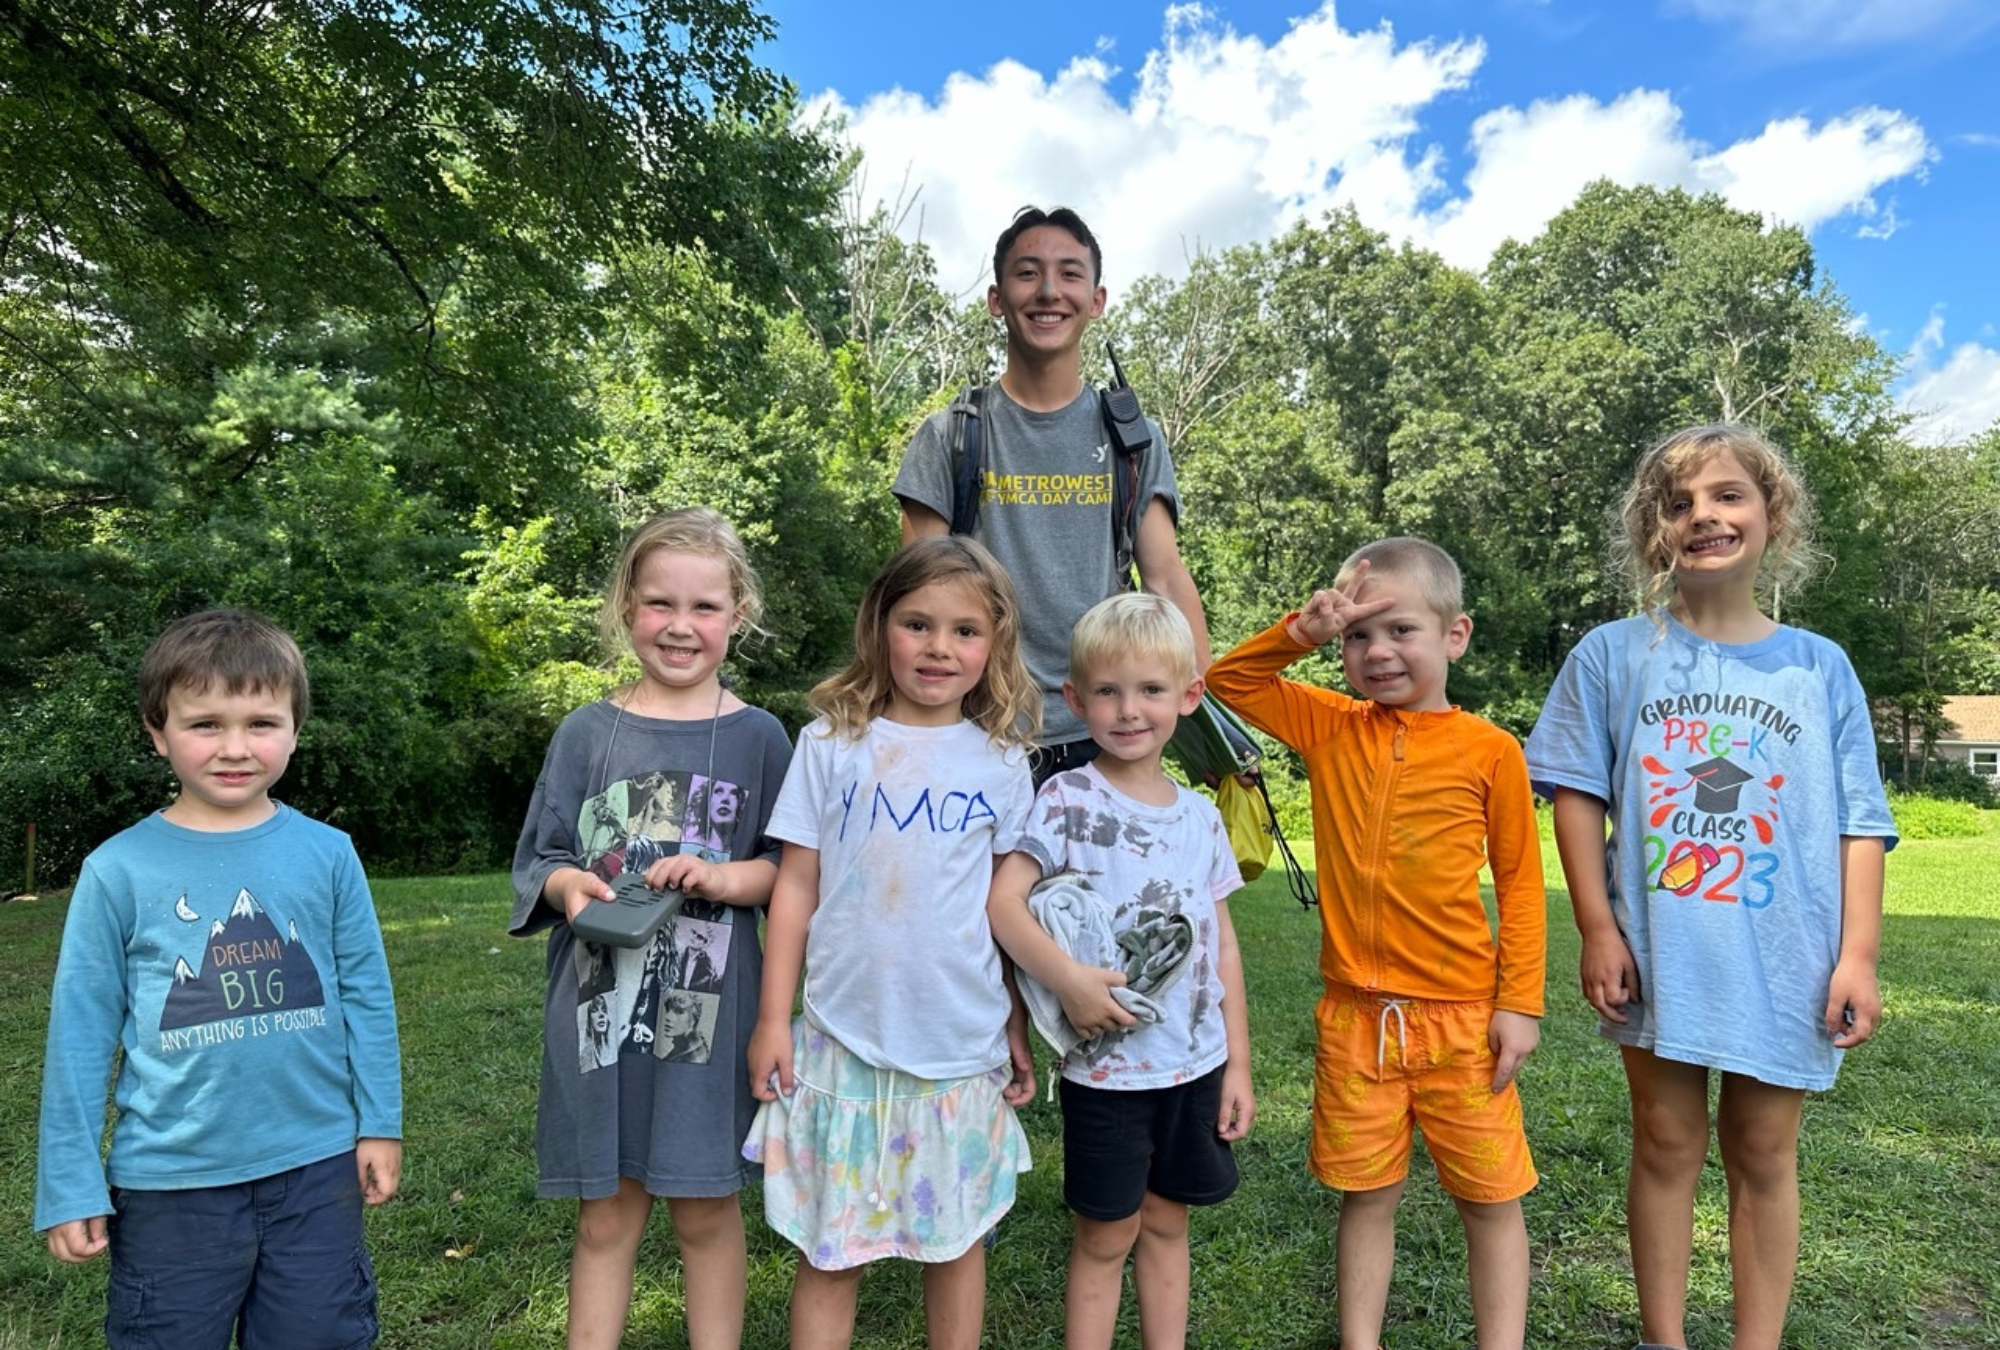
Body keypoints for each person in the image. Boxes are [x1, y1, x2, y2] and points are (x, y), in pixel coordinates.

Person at [1524, 424, 1896, 1350]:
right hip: (1661, 951)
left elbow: (1861, 822)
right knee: (1664, 1140)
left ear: (1773, 518)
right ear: (1654, 531)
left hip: (1787, 961)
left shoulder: (1821, 668)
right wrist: (1599, 929)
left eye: (1729, 495)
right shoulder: (1612, 656)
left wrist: (1857, 956)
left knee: (1765, 1152)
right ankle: (1664, 1338)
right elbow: (1576, 796)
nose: (1704, 516)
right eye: (1679, 503)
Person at [1207, 538, 1546, 1350]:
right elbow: (1226, 683)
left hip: (1463, 1025)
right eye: (1358, 636)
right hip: (1357, 1021)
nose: (1376, 651)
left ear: (1454, 635)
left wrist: (1520, 1005)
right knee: (1367, 1195)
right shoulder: (1329, 727)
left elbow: (1523, 884)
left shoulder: (1492, 751)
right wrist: (1302, 633)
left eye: (1399, 630)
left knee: (1491, 1200)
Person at [34, 608, 402, 1350]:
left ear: (296, 726)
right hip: (172, 1185)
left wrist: (380, 1122)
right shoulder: (118, 869)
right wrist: (68, 1181)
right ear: (156, 730)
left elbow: (367, 992)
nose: (236, 748)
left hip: (317, 1170)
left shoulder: (329, 854)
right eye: (205, 724)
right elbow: (80, 1032)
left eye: (261, 722)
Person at [744, 535, 1042, 1350]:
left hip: (956, 1045)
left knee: (954, 1245)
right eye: (917, 623)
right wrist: (775, 1019)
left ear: (996, 643)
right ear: (880, 626)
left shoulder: (1005, 764)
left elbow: (1001, 909)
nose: (939, 647)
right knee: (829, 1249)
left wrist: (1013, 1021)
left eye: (965, 631)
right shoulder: (831, 744)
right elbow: (794, 886)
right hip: (840, 1040)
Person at [511, 507, 793, 1350]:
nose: (680, 626)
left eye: (704, 607)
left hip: (708, 1025)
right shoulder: (585, 733)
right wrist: (572, 889)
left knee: (706, 1214)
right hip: (598, 1016)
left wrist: (719, 877)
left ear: (738, 613)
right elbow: (544, 855)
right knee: (606, 1217)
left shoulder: (759, 738)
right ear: (625, 607)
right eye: (659, 604)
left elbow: (786, 869)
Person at [987, 591, 1253, 1350]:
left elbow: (1221, 945)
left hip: (1193, 1066)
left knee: (1168, 1224)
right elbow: (1005, 904)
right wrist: (1067, 978)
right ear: (1075, 699)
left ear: (1189, 697)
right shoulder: (1064, 799)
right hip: (1107, 1076)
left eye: (1150, 690)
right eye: (1107, 691)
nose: (1128, 709)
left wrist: (1238, 1065)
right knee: (1105, 1237)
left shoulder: (1201, 816)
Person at [894, 205, 1211, 784]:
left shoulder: (1133, 441)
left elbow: (1164, 578)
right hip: (974, 731)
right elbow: (914, 597)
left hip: (1105, 735)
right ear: (996, 299)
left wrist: (1203, 716)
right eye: (1026, 273)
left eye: (1069, 274)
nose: (1048, 291)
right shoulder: (951, 437)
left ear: (1096, 300)